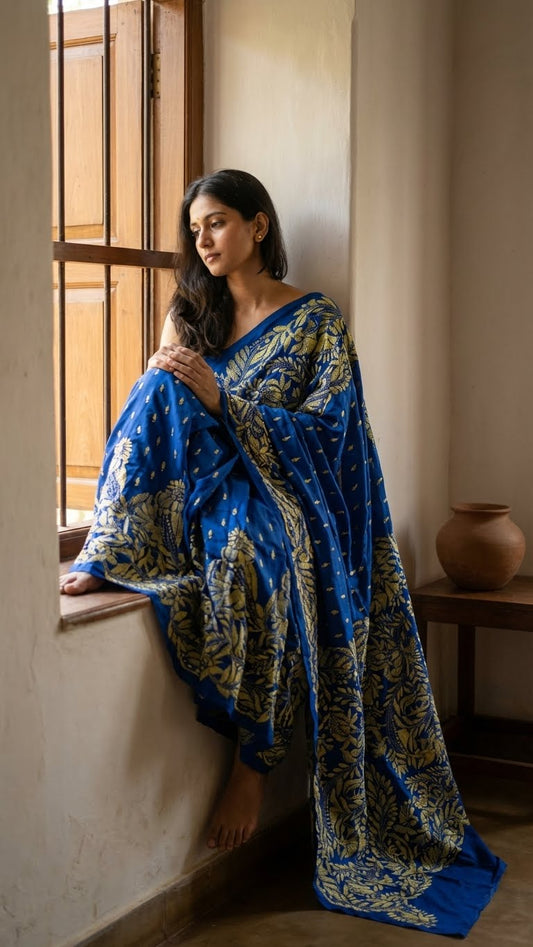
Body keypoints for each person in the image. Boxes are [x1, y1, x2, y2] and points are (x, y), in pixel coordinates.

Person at [61, 169, 505, 935]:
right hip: (202, 489)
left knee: (257, 569)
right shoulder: (190, 316)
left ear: (259, 226)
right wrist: (186, 382)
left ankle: (250, 767)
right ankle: (111, 546)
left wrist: (225, 400)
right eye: (195, 228)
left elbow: (334, 437)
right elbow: (156, 419)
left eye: (219, 222)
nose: (203, 240)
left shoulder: (313, 321)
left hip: (281, 497)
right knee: (157, 385)